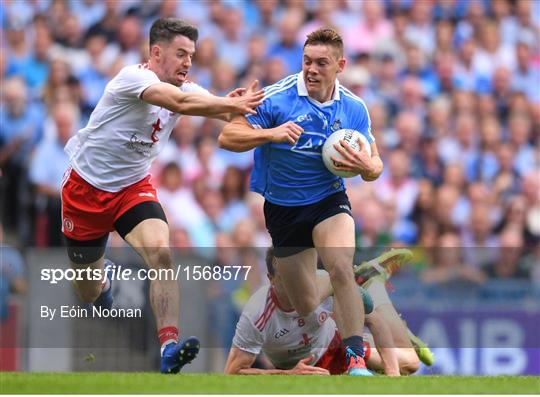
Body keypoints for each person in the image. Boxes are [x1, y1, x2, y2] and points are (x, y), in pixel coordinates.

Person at [60, 18, 264, 374]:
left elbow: (210, 105)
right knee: (88, 290)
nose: (188, 62)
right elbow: (180, 104)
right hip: (85, 192)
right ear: (156, 52)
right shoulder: (133, 78)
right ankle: (102, 279)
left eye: (192, 55)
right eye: (180, 54)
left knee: (163, 254)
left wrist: (235, 106)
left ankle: (169, 347)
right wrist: (221, 104)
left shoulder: (186, 87)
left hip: (133, 189)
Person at [219, 28, 383, 375]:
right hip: (283, 208)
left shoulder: (354, 107)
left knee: (337, 263)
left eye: (321, 63)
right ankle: (352, 280)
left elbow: (375, 163)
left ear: (341, 65)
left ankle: (356, 361)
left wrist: (369, 167)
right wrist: (270, 134)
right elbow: (228, 135)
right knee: (306, 303)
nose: (311, 69)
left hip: (328, 198)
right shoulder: (277, 98)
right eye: (307, 61)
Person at [224, 247, 431, 375]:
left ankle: (375, 289)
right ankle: (359, 281)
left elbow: (375, 321)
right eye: (283, 278)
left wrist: (392, 379)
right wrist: (287, 374)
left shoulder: (322, 282)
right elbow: (232, 371)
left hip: (337, 344)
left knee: (411, 363)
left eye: (296, 276)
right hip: (304, 366)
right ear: (270, 279)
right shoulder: (257, 313)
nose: (292, 284)